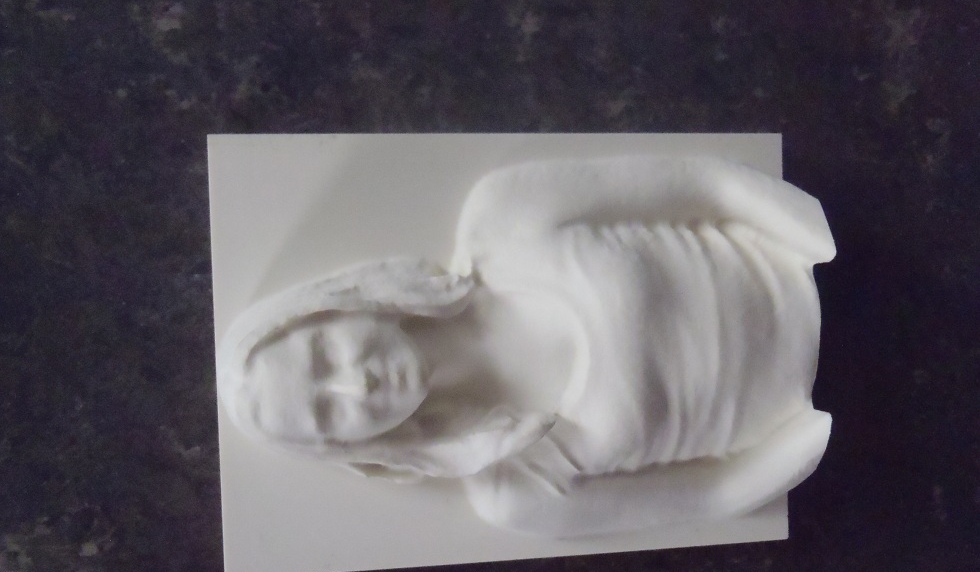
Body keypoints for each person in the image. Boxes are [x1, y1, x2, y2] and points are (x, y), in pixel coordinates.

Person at [217, 156, 835, 536]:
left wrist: (819, 241)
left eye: (324, 357)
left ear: (335, 307)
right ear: (349, 447)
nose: (357, 384)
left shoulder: (505, 218)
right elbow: (712, 494)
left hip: (813, 255)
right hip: (844, 419)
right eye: (329, 412)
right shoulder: (514, 491)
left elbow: (703, 185)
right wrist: (816, 437)